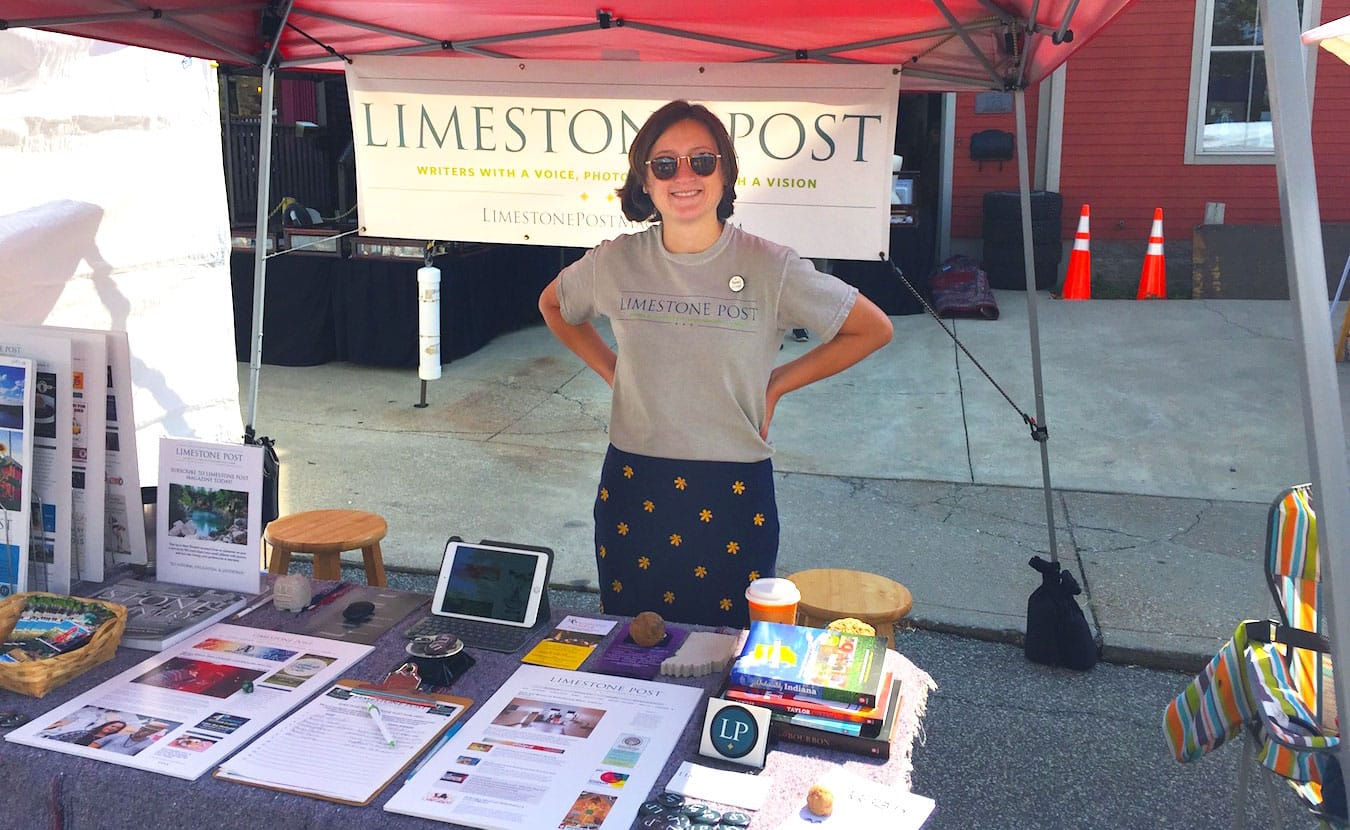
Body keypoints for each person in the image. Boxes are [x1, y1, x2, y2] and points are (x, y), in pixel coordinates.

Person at [538, 99, 892, 627]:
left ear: (725, 174)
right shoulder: (615, 261)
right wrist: (614, 371)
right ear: (646, 181)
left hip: (732, 494)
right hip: (636, 487)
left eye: (702, 161)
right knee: (634, 652)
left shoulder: (771, 267)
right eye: (666, 164)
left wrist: (775, 386)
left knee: (728, 661)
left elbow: (872, 328)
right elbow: (554, 306)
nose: (685, 176)